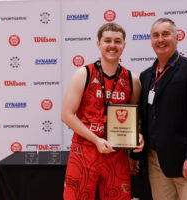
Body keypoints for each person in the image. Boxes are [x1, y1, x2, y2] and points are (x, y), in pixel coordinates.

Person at [61, 23, 144, 200]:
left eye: (117, 41)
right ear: (99, 44)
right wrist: (96, 140)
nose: (112, 45)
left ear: (124, 45)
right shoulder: (83, 74)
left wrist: (137, 137)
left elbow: (135, 119)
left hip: (117, 155)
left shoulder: (132, 80)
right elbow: (67, 115)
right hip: (84, 151)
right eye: (107, 40)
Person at [139, 18, 187, 200]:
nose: (160, 39)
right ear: (151, 40)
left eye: (166, 34)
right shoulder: (146, 75)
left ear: (177, 37)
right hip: (155, 161)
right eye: (156, 35)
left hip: (185, 162)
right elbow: (144, 118)